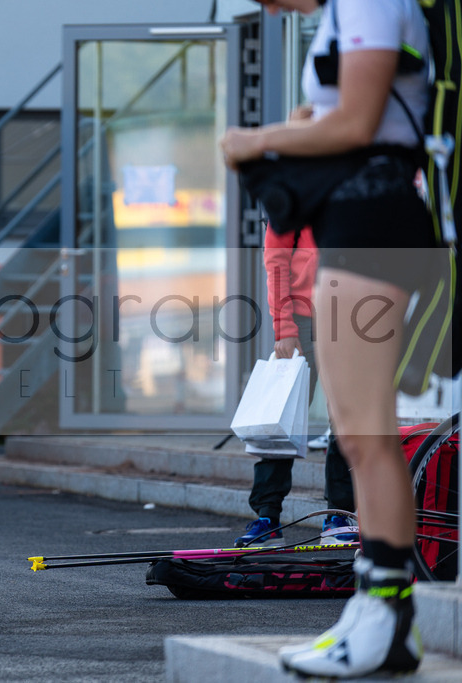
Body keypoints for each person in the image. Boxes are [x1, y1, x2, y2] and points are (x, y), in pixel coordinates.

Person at [221, 0, 435, 677]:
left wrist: (253, 142)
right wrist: (296, 128)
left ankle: (385, 609)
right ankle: (379, 612)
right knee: (358, 431)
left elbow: (358, 121)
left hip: (374, 219)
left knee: (366, 431)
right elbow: (338, 116)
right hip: (358, 220)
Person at [235, 222, 357, 548]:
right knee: (281, 419)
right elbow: (276, 259)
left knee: (348, 419)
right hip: (304, 321)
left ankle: (339, 515)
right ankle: (267, 518)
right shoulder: (296, 189)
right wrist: (284, 326)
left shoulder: (355, 179)